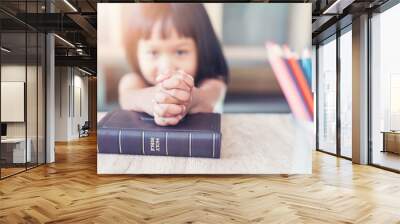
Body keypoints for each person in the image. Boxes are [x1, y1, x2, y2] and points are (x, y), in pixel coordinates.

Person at [119, 3, 229, 126]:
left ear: (202, 48)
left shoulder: (214, 82)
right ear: (135, 52)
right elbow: (128, 98)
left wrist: (186, 98)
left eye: (180, 52)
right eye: (153, 53)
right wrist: (156, 99)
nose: (167, 67)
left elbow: (209, 99)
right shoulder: (133, 80)